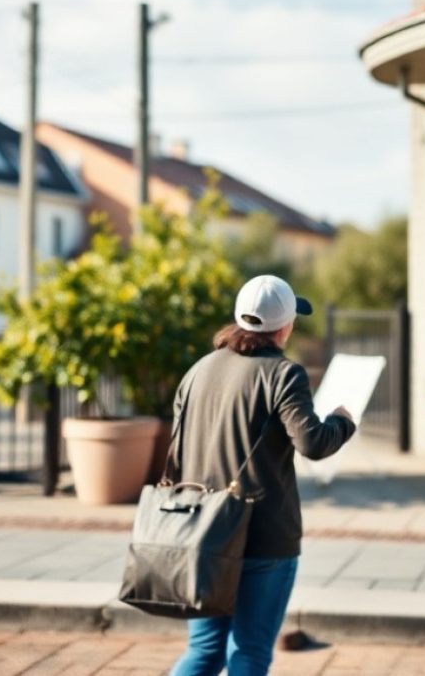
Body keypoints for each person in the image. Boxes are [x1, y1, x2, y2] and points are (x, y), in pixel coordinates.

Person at [168, 274, 356, 676]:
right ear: (284, 326)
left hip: (203, 531)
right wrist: (342, 423)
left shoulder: (198, 370)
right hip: (264, 535)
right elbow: (313, 443)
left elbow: (178, 451)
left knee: (204, 650)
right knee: (249, 652)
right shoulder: (284, 374)